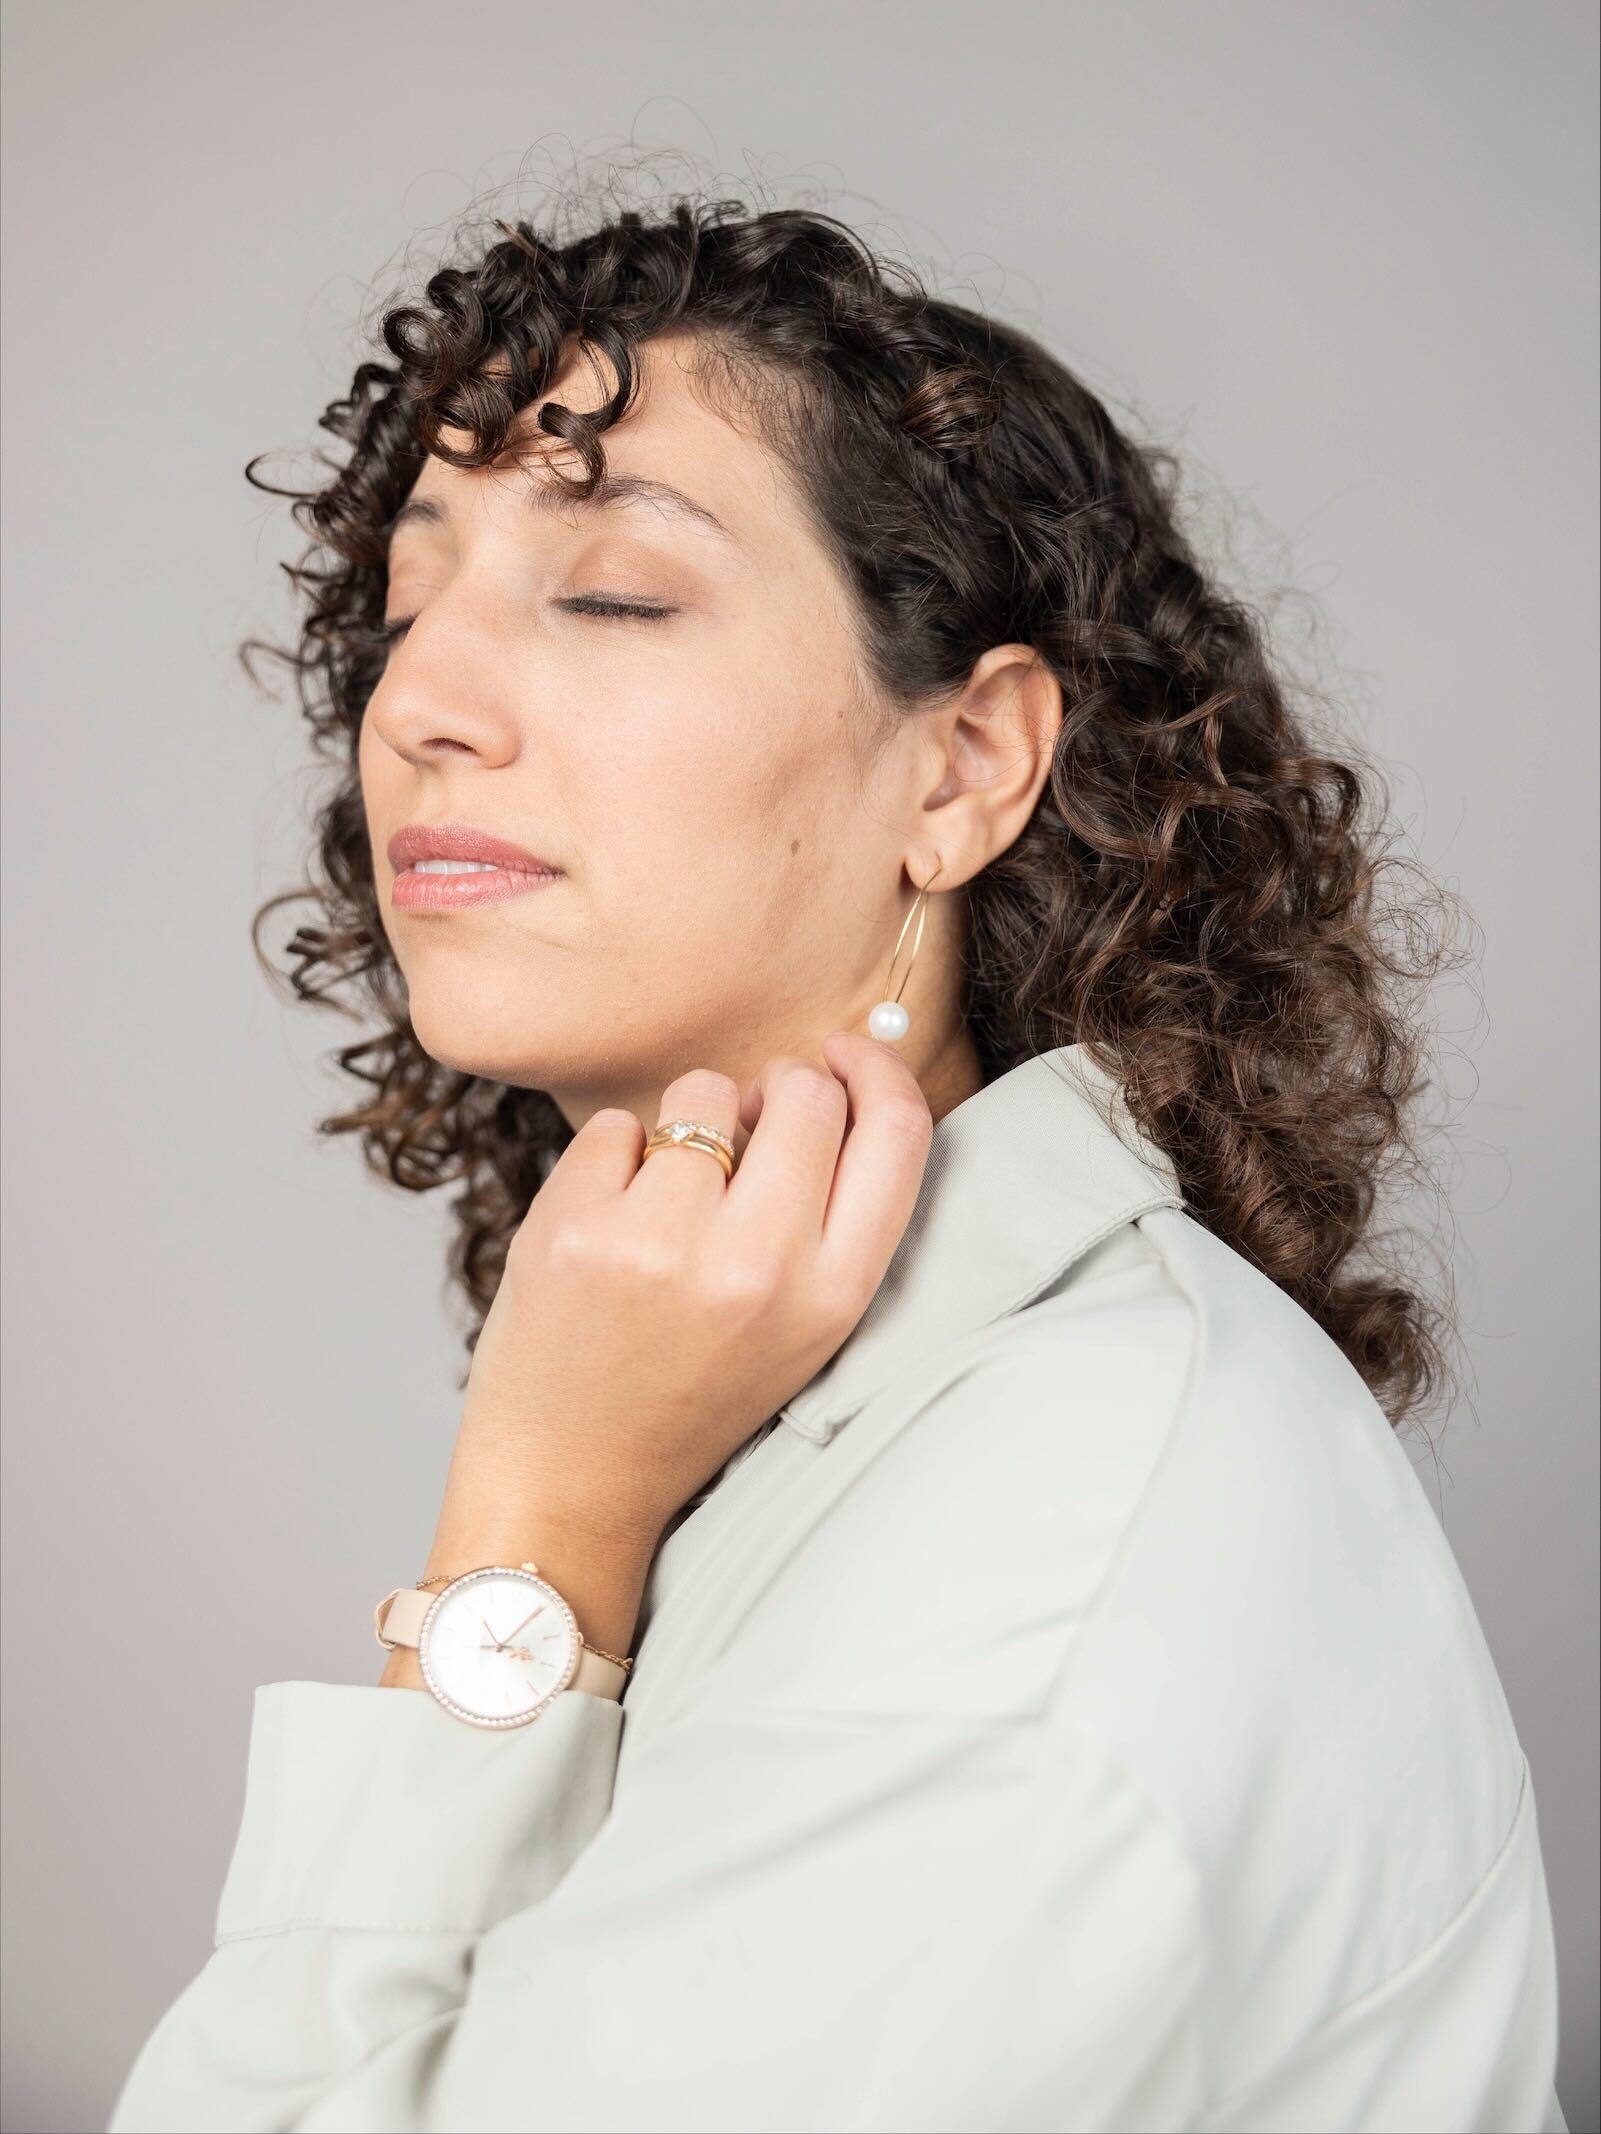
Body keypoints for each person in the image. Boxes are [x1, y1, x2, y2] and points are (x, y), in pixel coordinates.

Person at [108, 192, 1567, 2133]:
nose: (418, 710)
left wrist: (529, 1535)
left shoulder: (1028, 1574)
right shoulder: (836, 1413)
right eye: (401, 614)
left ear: (964, 764)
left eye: (612, 592)